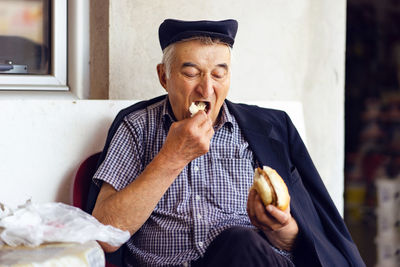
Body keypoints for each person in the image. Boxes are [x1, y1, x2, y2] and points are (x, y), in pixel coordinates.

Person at [86, 19, 365, 267]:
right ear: (164, 77)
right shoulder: (136, 127)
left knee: (240, 242)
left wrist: (281, 230)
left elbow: (305, 244)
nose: (207, 89)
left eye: (219, 74)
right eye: (192, 73)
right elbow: (104, 234)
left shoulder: (268, 129)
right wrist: (172, 158)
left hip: (253, 257)